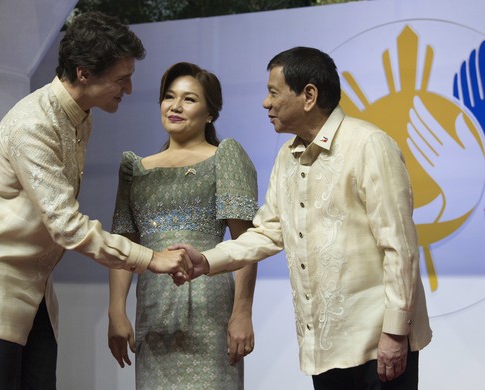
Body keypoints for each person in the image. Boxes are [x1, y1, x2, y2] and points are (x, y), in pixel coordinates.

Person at [0, 12, 191, 390]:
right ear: (84, 73)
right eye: (122, 79)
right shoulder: (33, 124)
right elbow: (67, 226)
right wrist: (151, 258)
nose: (130, 89)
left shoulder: (80, 115)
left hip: (34, 286)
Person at [173, 47, 432, 390]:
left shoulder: (368, 144)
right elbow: (267, 232)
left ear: (309, 95)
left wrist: (396, 332)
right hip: (324, 347)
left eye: (273, 92)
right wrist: (205, 260)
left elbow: (400, 246)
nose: (266, 103)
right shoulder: (287, 156)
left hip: (378, 344)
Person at [107, 62, 259, 389]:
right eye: (169, 97)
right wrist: (116, 310)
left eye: (189, 99)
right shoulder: (134, 168)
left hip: (211, 312)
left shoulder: (226, 157)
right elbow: (124, 245)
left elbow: (247, 244)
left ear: (209, 113)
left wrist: (242, 312)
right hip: (154, 311)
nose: (175, 106)